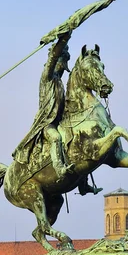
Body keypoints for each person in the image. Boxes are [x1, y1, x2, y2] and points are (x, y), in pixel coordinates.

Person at [12, 31, 75, 181]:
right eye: (61, 64)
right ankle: (59, 168)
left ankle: (83, 183)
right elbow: (53, 57)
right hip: (46, 124)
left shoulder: (60, 83)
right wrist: (65, 38)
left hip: (59, 122)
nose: (62, 68)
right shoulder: (47, 77)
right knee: (55, 138)